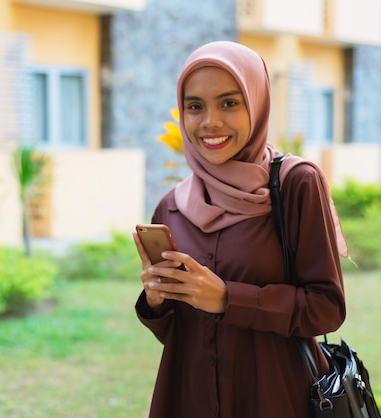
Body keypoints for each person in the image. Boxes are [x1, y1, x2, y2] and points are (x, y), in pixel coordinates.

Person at [132, 41, 347, 418]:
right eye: (195, 106)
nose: (209, 121)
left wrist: (228, 298)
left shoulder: (296, 184)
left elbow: (327, 309)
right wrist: (156, 299)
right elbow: (177, 335)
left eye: (229, 103)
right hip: (189, 397)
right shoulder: (172, 205)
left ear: (258, 102)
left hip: (274, 397)